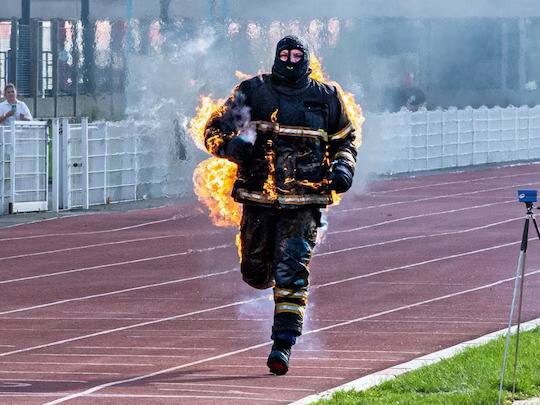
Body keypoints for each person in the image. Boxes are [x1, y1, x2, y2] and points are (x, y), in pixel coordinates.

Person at [204, 35, 357, 375]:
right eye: (285, 54)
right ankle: (273, 277)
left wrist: (343, 168)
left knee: (292, 273)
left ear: (306, 58)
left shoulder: (327, 97)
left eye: (296, 54)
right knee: (255, 273)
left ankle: (283, 345)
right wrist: (232, 148)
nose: (290, 60)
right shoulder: (253, 91)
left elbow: (345, 141)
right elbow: (213, 130)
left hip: (305, 203)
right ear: (276, 56)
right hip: (258, 200)